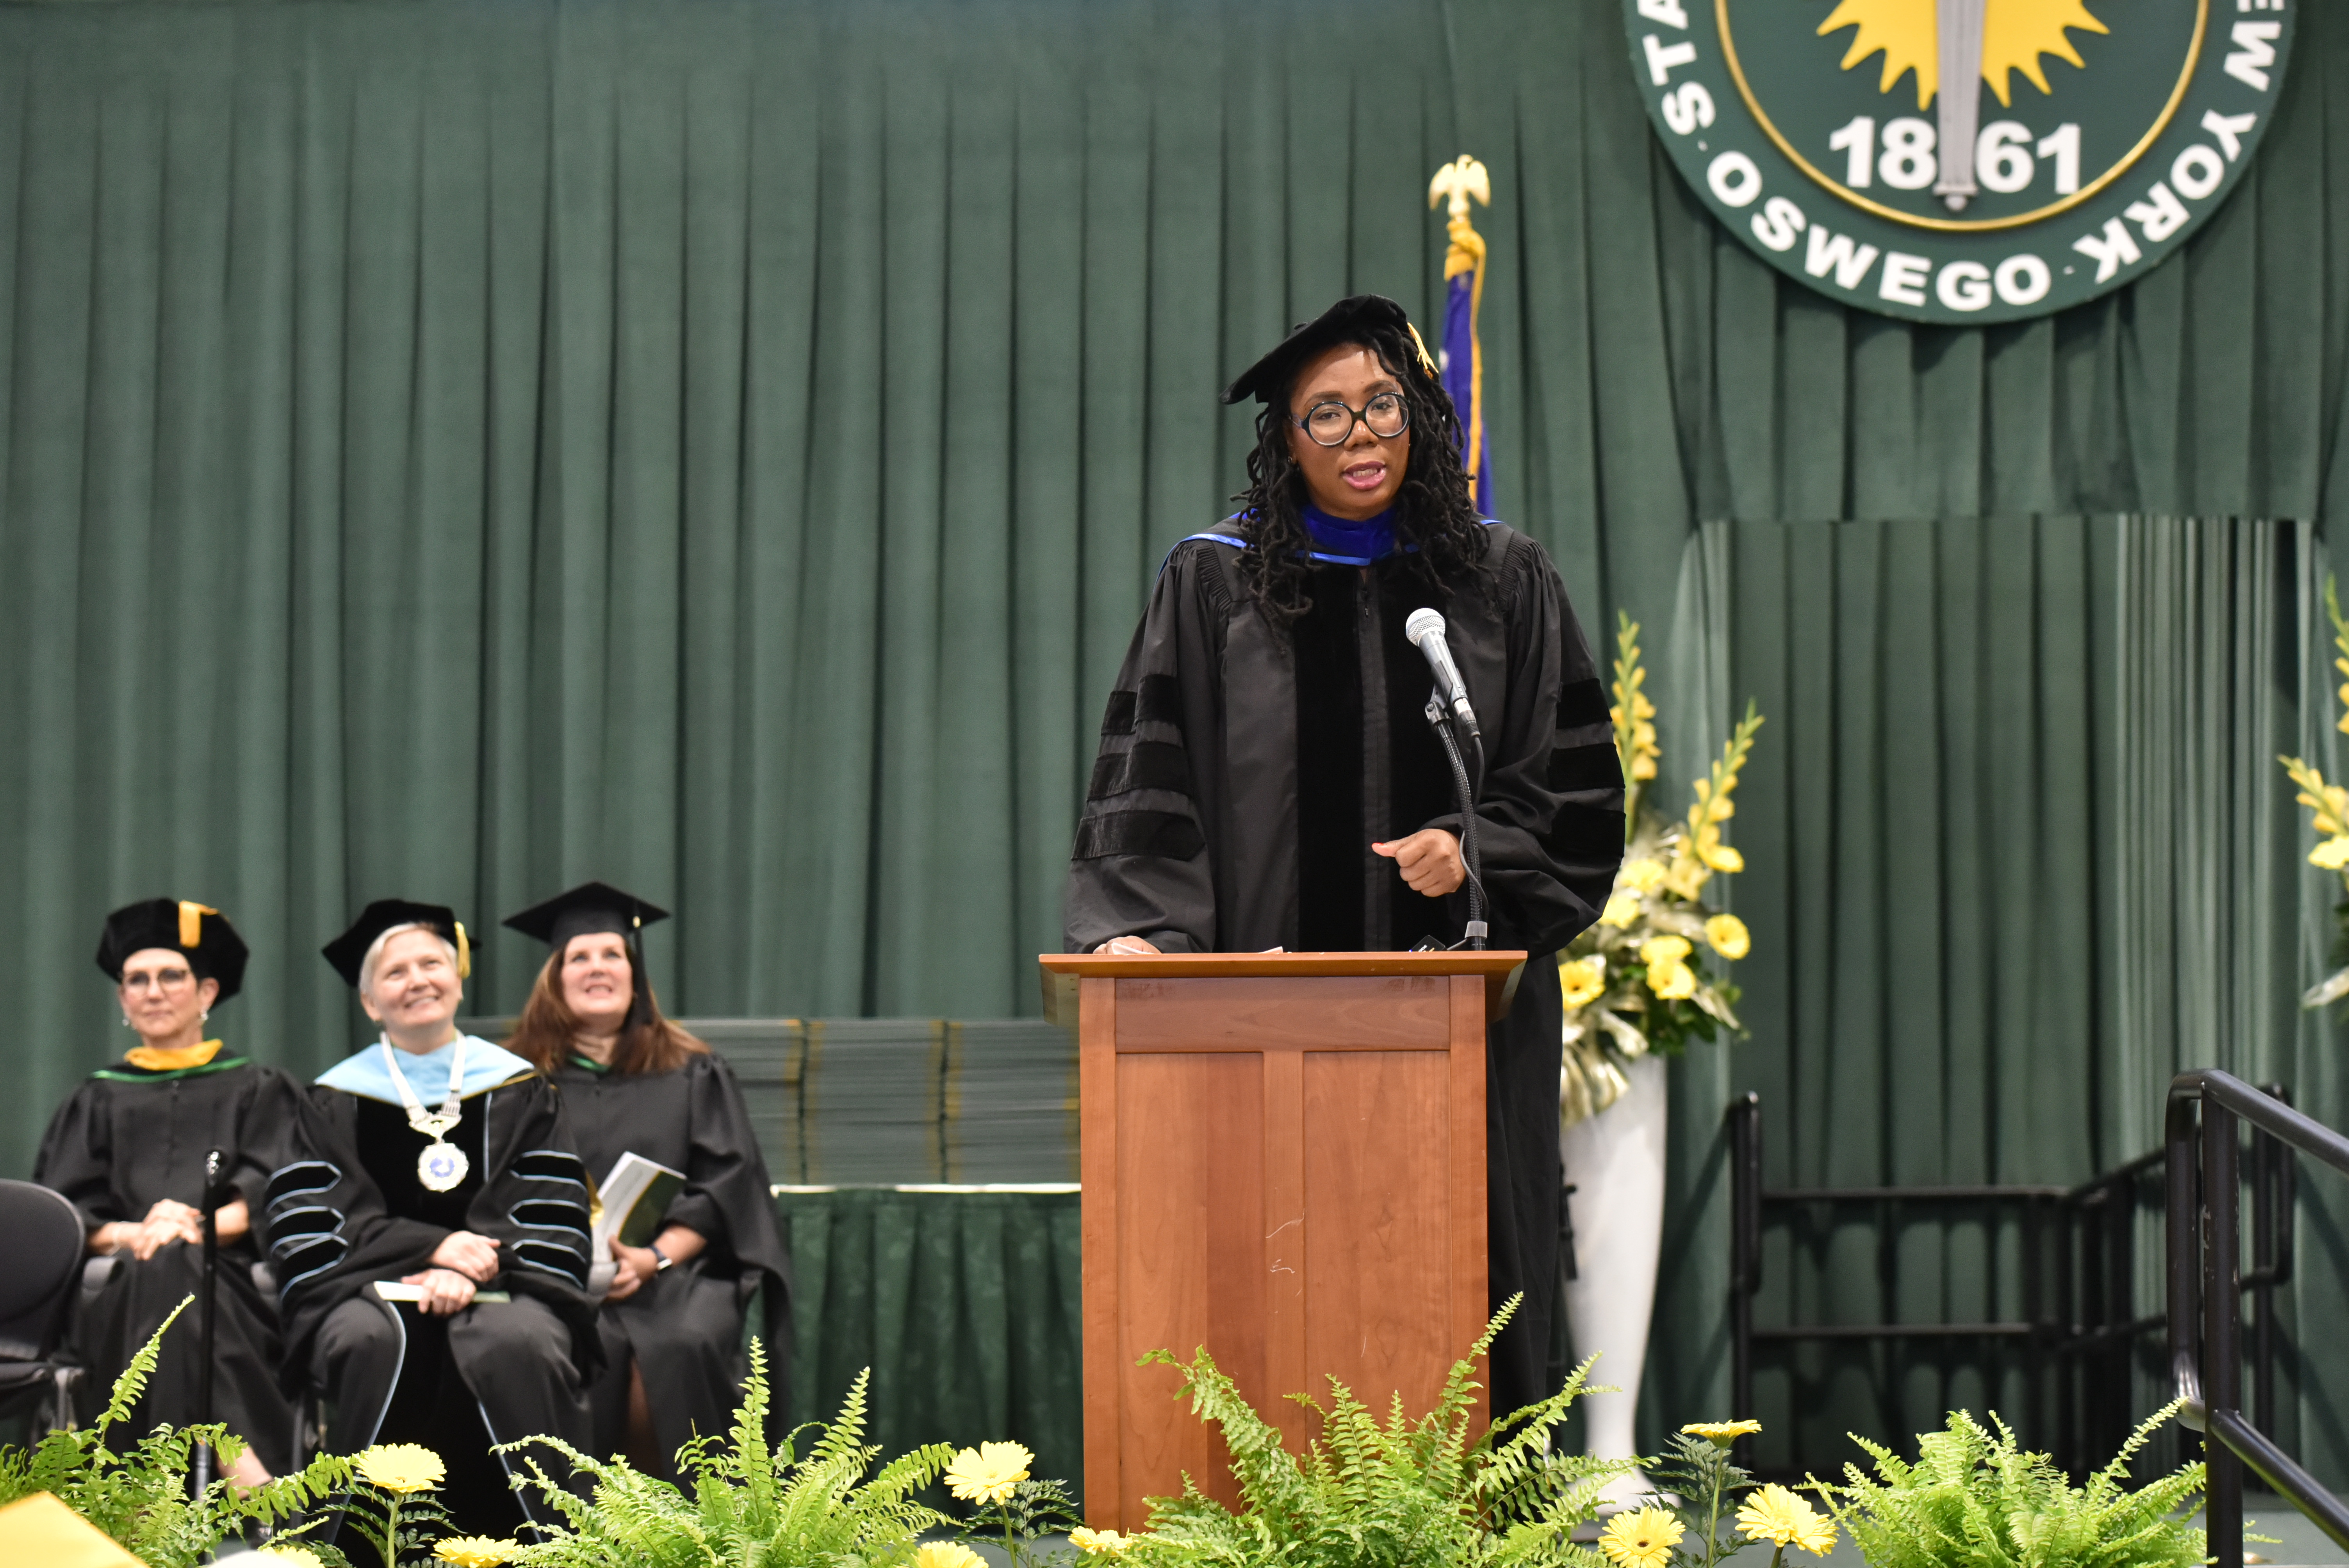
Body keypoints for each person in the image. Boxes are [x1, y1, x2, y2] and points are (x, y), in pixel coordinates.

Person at [1061, 294, 1624, 1417]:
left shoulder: (1501, 580)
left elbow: (1573, 794)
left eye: (1382, 405)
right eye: (1327, 415)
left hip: (1465, 1021)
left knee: (1473, 1280)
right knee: (1266, 1278)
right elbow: (1152, 787)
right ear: (1285, 439)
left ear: (1419, 414)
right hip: (1261, 1022)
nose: (1362, 435)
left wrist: (1475, 851)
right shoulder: (1214, 583)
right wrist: (1145, 928)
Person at [266, 900, 596, 1537]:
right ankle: (360, 1545)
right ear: (370, 1002)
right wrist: (430, 1253)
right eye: (395, 973)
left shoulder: (519, 1088)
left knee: (518, 1341)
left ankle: (546, 1544)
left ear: (457, 977)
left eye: (432, 963)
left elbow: (550, 1207)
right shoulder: (331, 1099)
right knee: (369, 1340)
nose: (417, 980)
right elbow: (312, 1218)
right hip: (366, 1290)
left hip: (508, 1283)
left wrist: (478, 1267)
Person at [500, 880, 790, 1481]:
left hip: (674, 1275)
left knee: (678, 1346)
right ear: (554, 978)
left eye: (613, 955)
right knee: (570, 1346)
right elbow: (497, 1192)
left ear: (635, 975)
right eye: (579, 957)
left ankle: (682, 1536)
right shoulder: (514, 1081)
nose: (597, 968)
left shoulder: (693, 1070)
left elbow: (727, 1183)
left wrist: (654, 1257)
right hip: (555, 1277)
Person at [34, 898, 300, 1483]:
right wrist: (139, 1232)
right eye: (137, 981)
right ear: (123, 1000)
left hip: (230, 1285)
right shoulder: (97, 1098)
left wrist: (194, 1228)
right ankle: (252, 1480)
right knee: (165, 1264)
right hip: (118, 1286)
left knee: (180, 1264)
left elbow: (279, 1194)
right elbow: (64, 1212)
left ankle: (136, 1497)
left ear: (206, 993)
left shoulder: (259, 1087)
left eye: (171, 977)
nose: (153, 992)